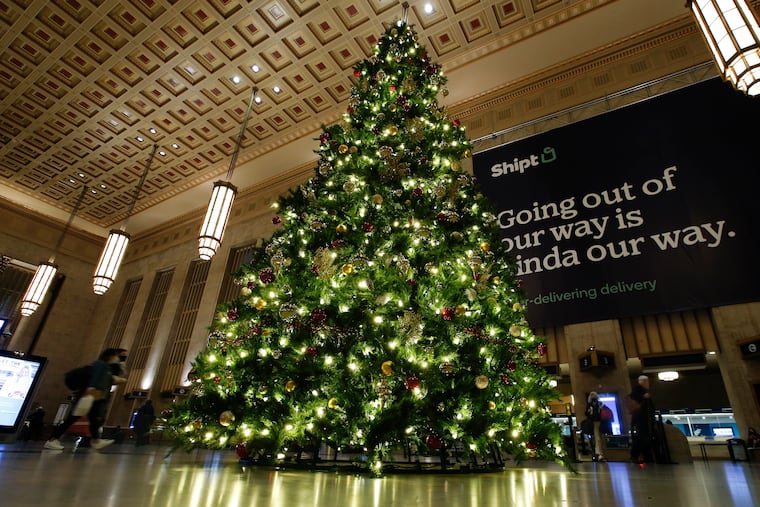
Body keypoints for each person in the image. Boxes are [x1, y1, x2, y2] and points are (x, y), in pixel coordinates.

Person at [43, 348, 123, 451]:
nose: (117, 358)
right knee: (73, 418)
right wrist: (91, 389)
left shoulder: (105, 367)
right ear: (110, 356)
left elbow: (106, 379)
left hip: (91, 396)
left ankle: (96, 441)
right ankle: (52, 440)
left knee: (93, 419)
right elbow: (96, 378)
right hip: (88, 395)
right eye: (115, 355)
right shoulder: (101, 364)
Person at [629, 374, 656, 464]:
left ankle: (643, 455)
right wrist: (643, 397)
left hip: (643, 419)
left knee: (642, 437)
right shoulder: (639, 391)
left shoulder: (641, 392)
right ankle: (639, 455)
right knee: (641, 437)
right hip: (642, 419)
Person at [585, 392, 606, 462]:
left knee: (599, 438)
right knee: (598, 438)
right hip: (595, 422)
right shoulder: (592, 405)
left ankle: (599, 453)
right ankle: (599, 454)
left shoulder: (598, 404)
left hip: (597, 421)